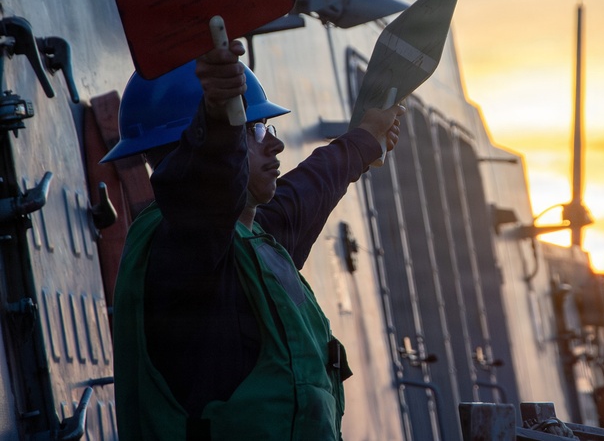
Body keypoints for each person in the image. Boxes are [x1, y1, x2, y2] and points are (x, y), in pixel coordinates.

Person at [103, 40, 403, 440]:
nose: (274, 143)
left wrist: (364, 141)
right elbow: (204, 186)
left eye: (268, 128)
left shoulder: (252, 240)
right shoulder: (180, 251)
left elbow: (305, 195)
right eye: (255, 129)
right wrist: (217, 118)